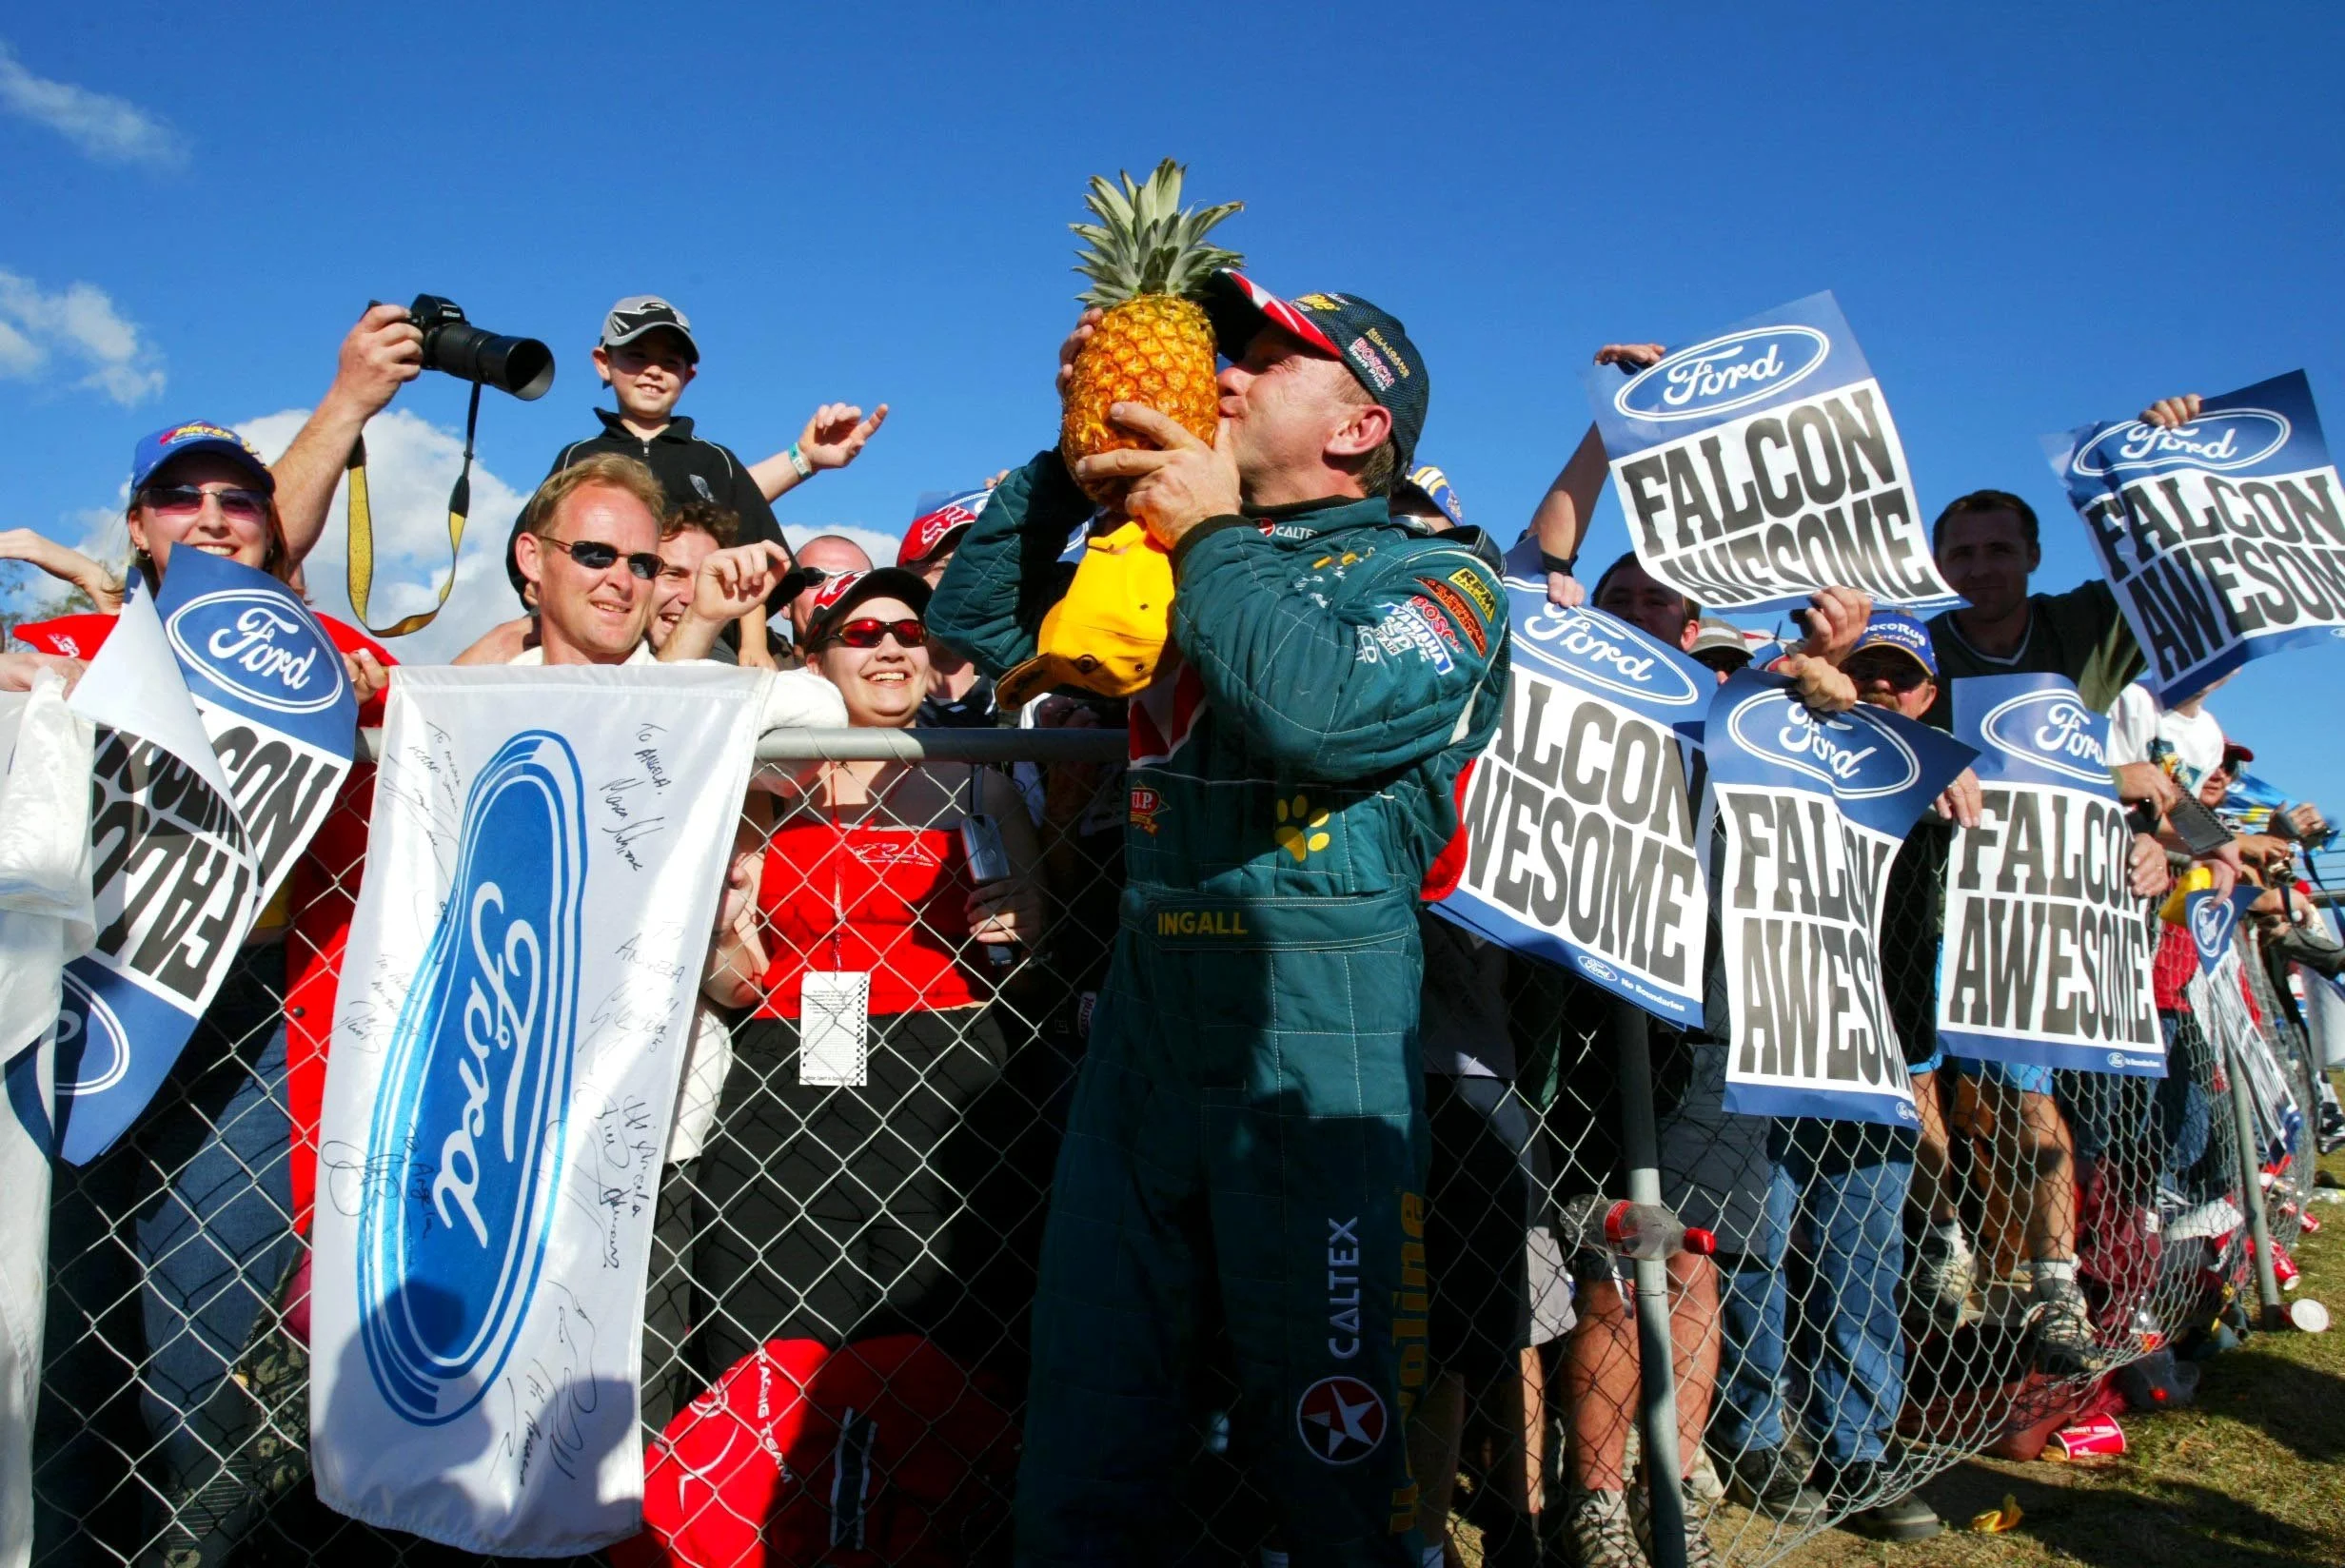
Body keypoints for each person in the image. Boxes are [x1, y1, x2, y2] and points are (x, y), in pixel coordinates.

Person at [931, 272, 1504, 1565]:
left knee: (1327, 1429)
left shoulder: (1440, 580)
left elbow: (1319, 710)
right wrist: (1077, 447)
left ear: (1361, 425)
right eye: (1224, 352)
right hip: (1145, 1021)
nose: (1226, 374)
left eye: (1269, 360)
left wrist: (1205, 538)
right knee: (1094, 1408)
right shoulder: (1155, 548)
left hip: (1320, 1028)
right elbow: (969, 625)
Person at [21, 421, 390, 1567]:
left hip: (250, 1027)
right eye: (181, 497)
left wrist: (379, 699)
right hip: (71, 1014)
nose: (216, 515)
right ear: (138, 527)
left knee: (200, 1352)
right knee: (62, 1345)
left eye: (240, 497)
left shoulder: (332, 650)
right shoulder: (71, 637)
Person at [694, 563, 1044, 1380]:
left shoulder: (980, 780)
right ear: (817, 661)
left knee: (939, 1336)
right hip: (786, 1065)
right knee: (768, 1325)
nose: (888, 648)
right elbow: (736, 977)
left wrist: (1021, 940)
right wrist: (715, 937)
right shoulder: (771, 787)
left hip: (946, 1065)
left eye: (908, 634)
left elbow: (1030, 974)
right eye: (860, 633)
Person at [898, 490, 999, 726]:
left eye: (976, 570)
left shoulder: (1034, 703)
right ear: (904, 583)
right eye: (944, 569)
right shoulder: (867, 701)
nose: (962, 583)